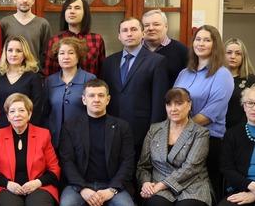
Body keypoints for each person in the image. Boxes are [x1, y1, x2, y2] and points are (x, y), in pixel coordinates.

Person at [173, 25, 234, 199]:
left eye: (207, 40)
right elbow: (172, 103)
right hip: (181, 138)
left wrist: (181, 129)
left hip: (208, 140)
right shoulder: (184, 73)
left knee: (206, 191)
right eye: (198, 39)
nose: (201, 44)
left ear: (215, 45)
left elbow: (210, 114)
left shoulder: (222, 74)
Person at [102, 17, 168, 152]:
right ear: (119, 36)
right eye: (125, 30)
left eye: (134, 29)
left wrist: (154, 132)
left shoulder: (157, 61)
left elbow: (159, 101)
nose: (129, 34)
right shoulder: (109, 62)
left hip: (141, 130)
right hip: (111, 128)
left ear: (143, 33)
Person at [44, 36, 96, 149]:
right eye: (62, 53)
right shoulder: (50, 81)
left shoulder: (89, 79)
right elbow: (46, 113)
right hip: (54, 140)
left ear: (78, 56)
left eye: (71, 53)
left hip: (81, 140)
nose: (66, 57)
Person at [0, 36, 44, 131]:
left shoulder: (33, 78)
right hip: (1, 130)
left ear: (25, 54)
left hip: (26, 131)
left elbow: (36, 111)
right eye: (10, 50)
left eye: (18, 51)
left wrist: (24, 133)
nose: (14, 54)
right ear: (5, 53)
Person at [44, 0, 105, 77]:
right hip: (63, 85)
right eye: (69, 8)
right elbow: (50, 74)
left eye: (77, 8)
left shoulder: (97, 39)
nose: (72, 11)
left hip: (90, 84)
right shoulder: (55, 40)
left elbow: (102, 72)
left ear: (85, 12)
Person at [0, 0, 52, 69]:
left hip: (34, 73)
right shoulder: (4, 23)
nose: (25, 0)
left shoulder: (43, 24)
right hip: (10, 73)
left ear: (33, 0)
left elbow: (46, 54)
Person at [142, 9, 189, 84]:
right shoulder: (136, 50)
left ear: (166, 27)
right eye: (146, 25)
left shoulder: (182, 51)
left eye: (156, 24)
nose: (151, 28)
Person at [224, 38, 255, 129]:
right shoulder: (216, 78)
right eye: (229, 52)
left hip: (242, 129)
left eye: (238, 53)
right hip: (217, 129)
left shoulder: (251, 79)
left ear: (243, 57)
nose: (233, 56)